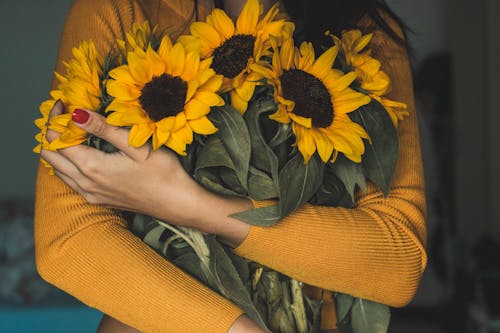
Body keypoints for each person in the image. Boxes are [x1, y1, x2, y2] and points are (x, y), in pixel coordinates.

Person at [35, 0, 427, 332]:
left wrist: (192, 206)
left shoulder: (362, 30)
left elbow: (399, 260)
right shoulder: (120, 10)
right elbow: (69, 241)